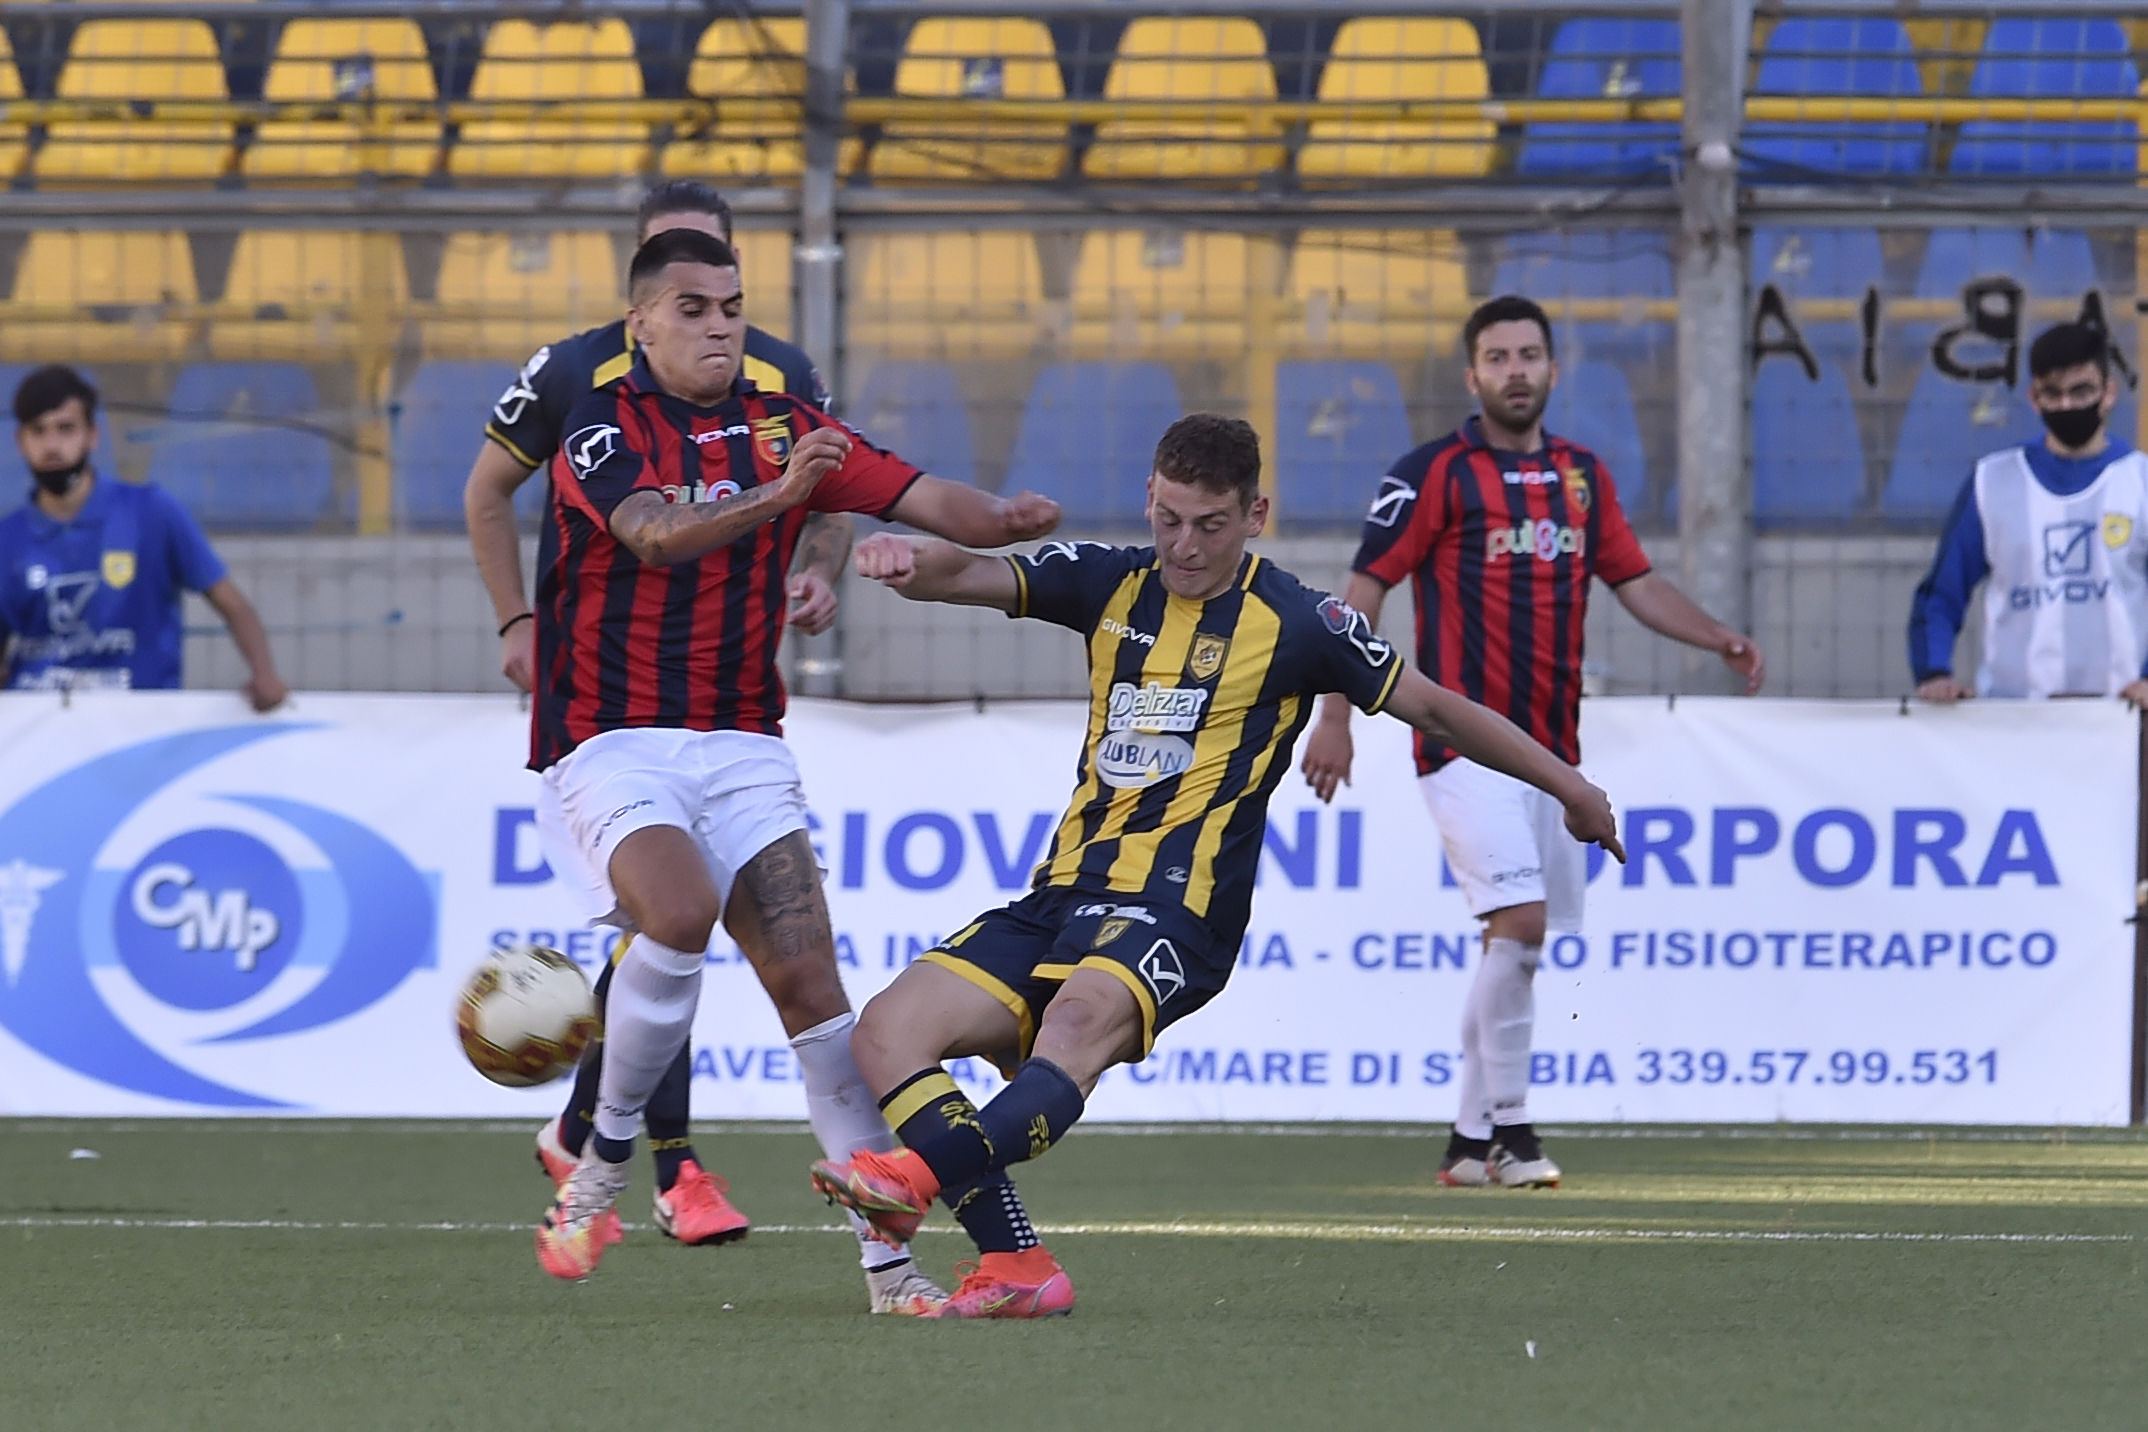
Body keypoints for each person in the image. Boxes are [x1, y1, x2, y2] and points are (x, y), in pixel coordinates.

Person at [809, 414, 1625, 1318]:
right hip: (1063, 893)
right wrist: (901, 562)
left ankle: (912, 1178)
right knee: (884, 1031)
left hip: (1180, 911)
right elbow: (965, 572)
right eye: (1166, 519)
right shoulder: (1110, 582)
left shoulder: (1304, 623)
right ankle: (1017, 1267)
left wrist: (1570, 787)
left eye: (1208, 524)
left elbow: (1434, 710)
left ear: (1255, 515)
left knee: (1073, 1028)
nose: (1182, 546)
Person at [527, 227, 1060, 1305]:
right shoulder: (597, 427)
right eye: (692, 307)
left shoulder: (785, 426)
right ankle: (603, 1159)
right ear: (640, 323)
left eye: (730, 305)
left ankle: (889, 1268)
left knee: (820, 1003)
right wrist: (787, 497)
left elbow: (916, 495)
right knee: (676, 910)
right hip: (610, 738)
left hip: (743, 745)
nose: (719, 323)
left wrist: (1000, 520)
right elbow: (652, 534)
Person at [1299, 295, 1762, 1191]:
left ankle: (1468, 1147)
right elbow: (1364, 591)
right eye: (1499, 357)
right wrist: (1336, 713)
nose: (1516, 370)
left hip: (1552, 758)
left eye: (1530, 355)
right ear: (1472, 378)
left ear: (1553, 370)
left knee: (1515, 948)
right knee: (1519, 924)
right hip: (1462, 746)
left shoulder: (1582, 477)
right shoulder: (1431, 473)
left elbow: (1634, 581)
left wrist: (1718, 638)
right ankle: (1509, 1132)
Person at [463, 181, 849, 1254]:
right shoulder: (572, 371)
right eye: (675, 275)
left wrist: (822, 573)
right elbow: (486, 490)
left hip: (728, 711)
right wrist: (516, 614)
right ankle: (666, 1163)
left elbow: (838, 492)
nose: (707, 304)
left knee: (673, 930)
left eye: (719, 276)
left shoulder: (778, 378)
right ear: (639, 289)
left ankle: (600, 1132)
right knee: (664, 919)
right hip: (608, 696)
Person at [0, 365, 286, 710]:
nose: (52, 445)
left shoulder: (152, 513)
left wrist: (264, 673)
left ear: (92, 435)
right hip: (40, 736)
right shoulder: (8, 538)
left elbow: (234, 605)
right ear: (20, 442)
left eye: (65, 429)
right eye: (38, 431)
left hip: (140, 731)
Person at [1909, 321, 2148, 707]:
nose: (2067, 405)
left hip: (2121, 723)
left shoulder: (2142, 482)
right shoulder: (1993, 481)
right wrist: (1935, 671)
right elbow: (1941, 592)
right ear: (2033, 398)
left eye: (2081, 390)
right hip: (2015, 722)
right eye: (2052, 394)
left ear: (2109, 393)